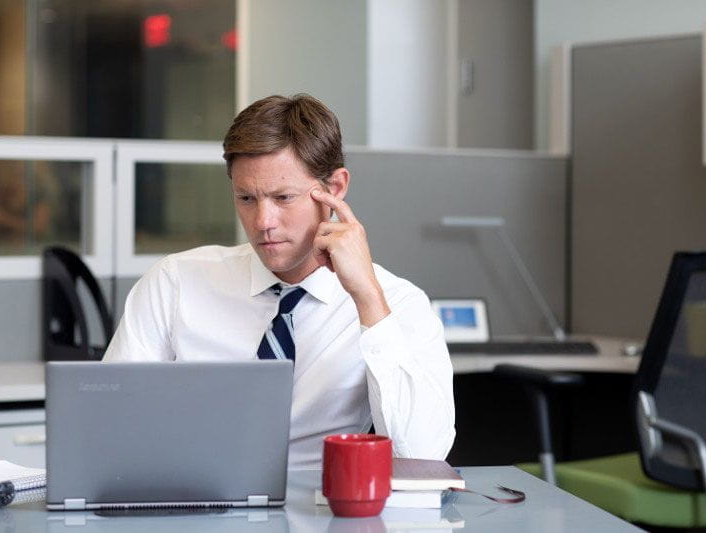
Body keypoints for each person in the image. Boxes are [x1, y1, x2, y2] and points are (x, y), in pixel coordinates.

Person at [103, 94, 455, 469]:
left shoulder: (396, 303)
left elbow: (422, 457)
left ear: (335, 188)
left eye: (283, 197)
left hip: (320, 500)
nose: (263, 222)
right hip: (193, 492)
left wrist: (367, 298)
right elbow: (107, 424)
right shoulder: (175, 283)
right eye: (246, 198)